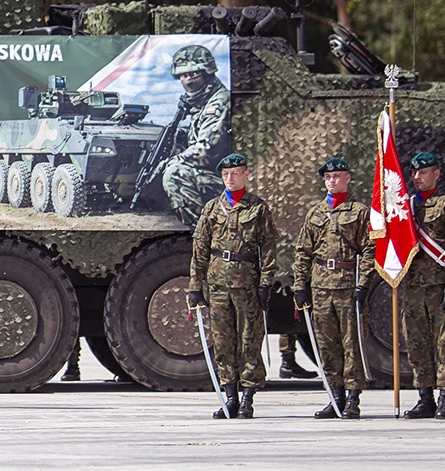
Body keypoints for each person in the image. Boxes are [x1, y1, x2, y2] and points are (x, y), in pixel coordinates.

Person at [188, 152, 276, 418]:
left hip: (247, 284)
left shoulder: (258, 209)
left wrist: (266, 283)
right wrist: (195, 285)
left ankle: (248, 397)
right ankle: (230, 396)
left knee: (249, 340)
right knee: (223, 341)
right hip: (217, 286)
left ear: (246, 174)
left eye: (235, 173)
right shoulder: (212, 209)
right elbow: (200, 248)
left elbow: (269, 249)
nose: (230, 178)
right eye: (226, 174)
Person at [292, 158, 375, 419]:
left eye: (337, 176)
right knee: (326, 344)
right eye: (328, 178)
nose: (332, 181)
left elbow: (370, 249)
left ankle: (352, 398)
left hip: (348, 285)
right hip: (320, 286)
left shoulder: (360, 212)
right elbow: (303, 251)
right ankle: (335, 396)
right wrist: (299, 285)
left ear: (348, 178)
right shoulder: (315, 213)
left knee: (352, 344)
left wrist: (363, 284)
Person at [400, 152, 445, 419]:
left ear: (436, 174)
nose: (418, 177)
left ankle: (444, 398)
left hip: (440, 286)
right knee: (416, 343)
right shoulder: (405, 208)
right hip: (413, 287)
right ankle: (424, 397)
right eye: (415, 173)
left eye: (424, 172)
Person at [158, 44, 232, 224]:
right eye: (183, 75)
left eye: (193, 74)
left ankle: (207, 233)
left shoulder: (219, 102)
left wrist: (173, 161)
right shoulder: (201, 103)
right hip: (218, 175)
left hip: (230, 179)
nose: (188, 80)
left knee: (174, 173)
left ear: (207, 72)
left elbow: (206, 150)